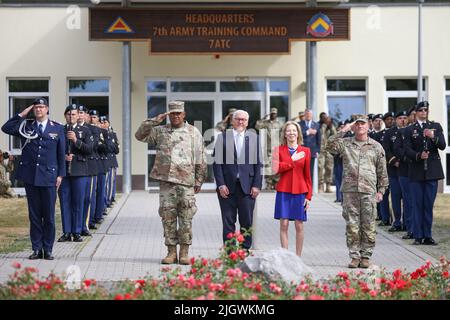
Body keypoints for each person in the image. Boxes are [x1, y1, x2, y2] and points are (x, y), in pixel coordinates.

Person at [135, 101, 207, 265]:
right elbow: (139, 135)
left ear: (184, 114)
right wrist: (154, 121)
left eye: (178, 113)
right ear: (169, 114)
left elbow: (201, 156)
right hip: (167, 183)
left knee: (186, 218)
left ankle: (184, 252)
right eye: (172, 113)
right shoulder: (160, 131)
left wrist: (199, 179)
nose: (175, 116)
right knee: (168, 218)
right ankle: (171, 252)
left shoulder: (193, 132)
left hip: (186, 182)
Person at [1, 98, 66, 260]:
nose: (38, 110)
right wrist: (23, 113)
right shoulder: (26, 126)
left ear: (47, 109)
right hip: (31, 176)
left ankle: (48, 249)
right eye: (36, 107)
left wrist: (60, 175)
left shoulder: (57, 128)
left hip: (49, 176)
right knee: (34, 215)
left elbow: (61, 153)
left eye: (41, 107)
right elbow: (6, 127)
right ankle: (37, 248)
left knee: (49, 216)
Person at [326, 114, 388, 269]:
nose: (360, 127)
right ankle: (354, 256)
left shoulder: (376, 146)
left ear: (368, 126)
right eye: (357, 124)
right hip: (350, 191)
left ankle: (366, 256)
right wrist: (344, 130)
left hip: (369, 191)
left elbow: (382, 171)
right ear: (354, 127)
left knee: (369, 225)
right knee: (352, 226)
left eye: (363, 124)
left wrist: (381, 190)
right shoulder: (345, 144)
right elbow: (328, 145)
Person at [213, 110, 263, 250]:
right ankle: (230, 253)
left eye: (244, 120)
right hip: (227, 189)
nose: (241, 122)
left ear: (247, 122)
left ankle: (244, 251)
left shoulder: (254, 138)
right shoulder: (223, 138)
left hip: (247, 189)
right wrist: (221, 184)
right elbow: (217, 164)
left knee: (246, 222)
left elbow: (259, 164)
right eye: (238, 119)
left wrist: (257, 185)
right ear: (232, 121)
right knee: (228, 222)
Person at [403, 101, 446, 246]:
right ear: (416, 113)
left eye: (425, 110)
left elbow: (443, 145)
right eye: (420, 110)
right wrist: (418, 155)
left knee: (428, 205)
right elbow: (407, 150)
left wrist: (433, 136)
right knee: (417, 205)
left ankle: (428, 235)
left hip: (432, 172)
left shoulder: (435, 126)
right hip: (416, 172)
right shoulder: (409, 130)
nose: (423, 112)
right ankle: (418, 235)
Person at [272, 121, 312, 256]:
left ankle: (298, 257)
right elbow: (275, 169)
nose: (291, 133)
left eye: (294, 130)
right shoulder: (278, 150)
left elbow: (308, 176)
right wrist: (292, 160)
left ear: (298, 133)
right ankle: (285, 256)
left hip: (300, 192)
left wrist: (308, 196)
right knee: (284, 224)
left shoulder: (305, 151)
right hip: (284, 191)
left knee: (299, 225)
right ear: (284, 134)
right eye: (288, 130)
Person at [57, 104, 93, 243]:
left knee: (78, 202)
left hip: (80, 171)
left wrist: (76, 140)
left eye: (73, 114)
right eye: (68, 114)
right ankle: (66, 232)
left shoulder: (85, 130)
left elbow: (89, 150)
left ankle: (77, 231)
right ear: (65, 116)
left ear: (78, 115)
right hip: (64, 172)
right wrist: (63, 157)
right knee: (65, 202)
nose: (71, 117)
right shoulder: (60, 130)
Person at [382, 110, 409, 233]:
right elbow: (386, 149)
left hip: (408, 169)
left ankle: (407, 223)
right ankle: (397, 221)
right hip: (394, 170)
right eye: (400, 118)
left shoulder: (410, 131)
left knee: (408, 198)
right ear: (396, 120)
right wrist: (394, 161)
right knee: (396, 197)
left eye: (404, 118)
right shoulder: (389, 133)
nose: (402, 120)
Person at [255, 107, 282, 190]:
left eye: (274, 113)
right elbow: (257, 126)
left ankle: (276, 182)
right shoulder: (266, 123)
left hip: (277, 146)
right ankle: (269, 183)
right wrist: (263, 118)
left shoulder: (280, 123)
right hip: (268, 147)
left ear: (276, 114)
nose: (273, 115)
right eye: (272, 113)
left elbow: (283, 133)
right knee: (268, 166)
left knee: (276, 165)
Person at [298, 109, 321, 181]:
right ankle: (301, 190)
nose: (308, 116)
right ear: (304, 115)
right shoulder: (299, 124)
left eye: (309, 114)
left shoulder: (316, 125)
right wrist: (307, 132)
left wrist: (318, 151)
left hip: (312, 151)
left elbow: (319, 139)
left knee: (310, 172)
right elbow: (298, 135)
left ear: (312, 115)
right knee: (301, 171)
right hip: (301, 151)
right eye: (307, 114)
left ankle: (309, 191)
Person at [318, 115, 336, 193]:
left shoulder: (331, 126)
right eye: (325, 119)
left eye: (328, 119)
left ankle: (328, 185)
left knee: (329, 168)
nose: (327, 120)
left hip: (329, 150)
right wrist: (324, 126)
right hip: (321, 150)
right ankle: (320, 185)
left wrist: (331, 126)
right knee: (320, 167)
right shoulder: (319, 126)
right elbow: (321, 136)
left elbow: (335, 135)